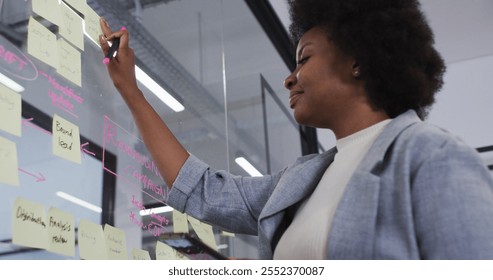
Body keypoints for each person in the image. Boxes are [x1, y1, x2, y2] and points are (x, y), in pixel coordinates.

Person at [99, 0, 493, 259]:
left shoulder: (430, 156)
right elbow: (203, 191)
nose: (290, 79)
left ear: (358, 60)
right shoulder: (303, 180)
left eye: (303, 58)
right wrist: (130, 91)